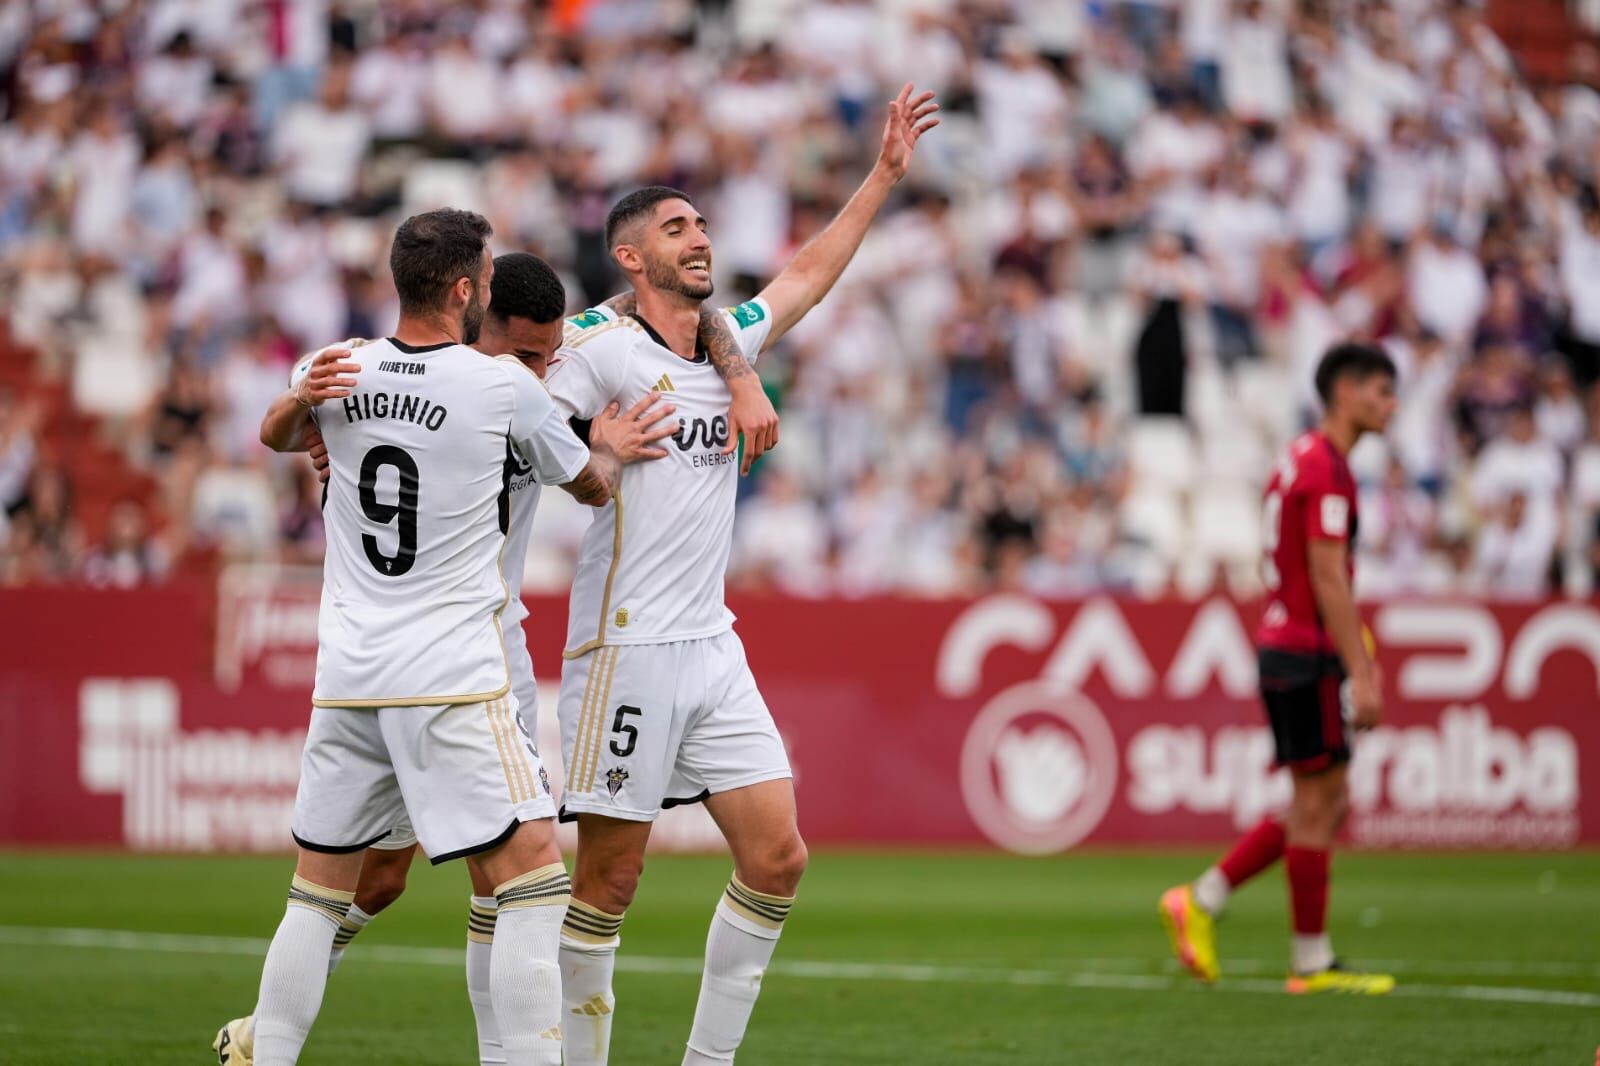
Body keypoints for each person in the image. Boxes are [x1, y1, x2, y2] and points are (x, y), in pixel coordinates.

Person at [214, 252, 701, 1066]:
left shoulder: (353, 370)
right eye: (530, 355)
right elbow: (590, 481)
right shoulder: (503, 392)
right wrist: (603, 445)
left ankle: (271, 1043)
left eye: (553, 358)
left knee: (361, 884)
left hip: (360, 667)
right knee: (527, 880)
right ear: (471, 306)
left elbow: (278, 431)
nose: (546, 372)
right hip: (458, 664)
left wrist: (305, 420)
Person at [546, 84, 939, 1065]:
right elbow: (519, 418)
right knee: (609, 881)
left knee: (777, 856)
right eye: (676, 228)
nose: (700, 236)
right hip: (622, 645)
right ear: (631, 256)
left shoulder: (726, 344)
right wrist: (581, 439)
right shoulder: (597, 350)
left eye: (703, 224)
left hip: (709, 644)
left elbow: (805, 273)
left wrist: (883, 177)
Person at [1159, 342, 1399, 996]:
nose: (1391, 405)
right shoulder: (1327, 468)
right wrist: (1362, 670)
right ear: (1345, 392)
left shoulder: (1298, 458)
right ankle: (1310, 961)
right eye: (1381, 391)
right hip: (1308, 651)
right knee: (1320, 805)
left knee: (1320, 801)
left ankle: (1203, 898)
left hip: (1285, 644)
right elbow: (1327, 574)